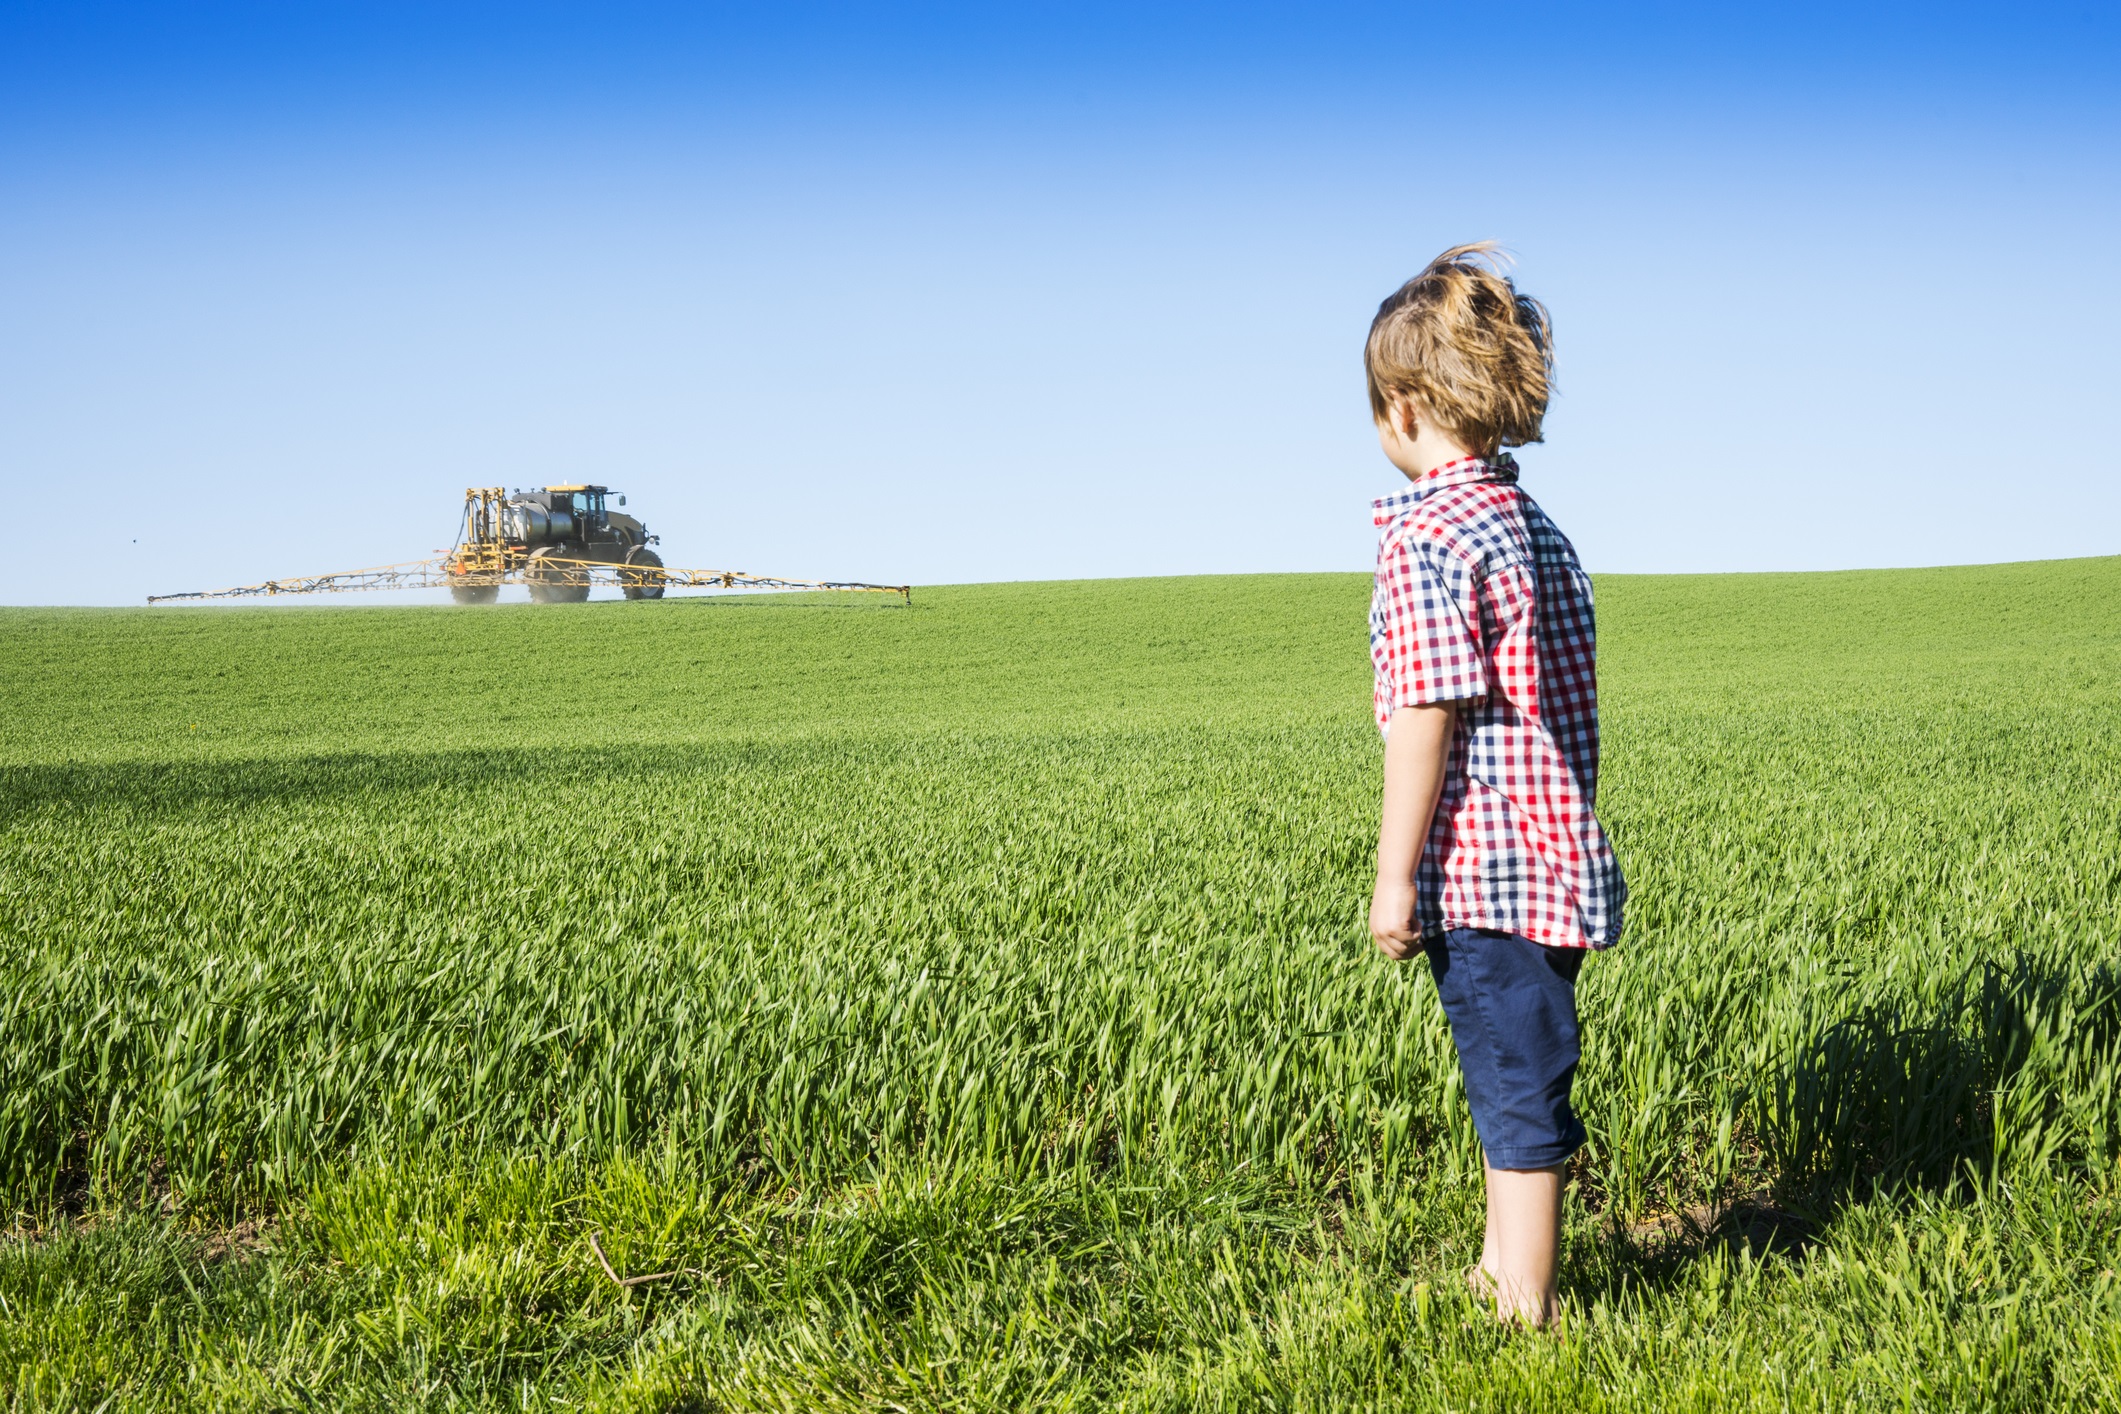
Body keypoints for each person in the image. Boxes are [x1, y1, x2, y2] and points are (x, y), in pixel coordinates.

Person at [1363, 243, 1625, 1327]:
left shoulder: (1429, 535)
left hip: (1482, 872)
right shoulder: (1534, 528)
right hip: (1556, 863)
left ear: (1411, 406)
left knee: (1517, 1088)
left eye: (1377, 406)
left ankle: (1526, 1303)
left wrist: (1392, 879)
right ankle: (1495, 1266)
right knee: (1515, 1066)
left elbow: (1424, 714)